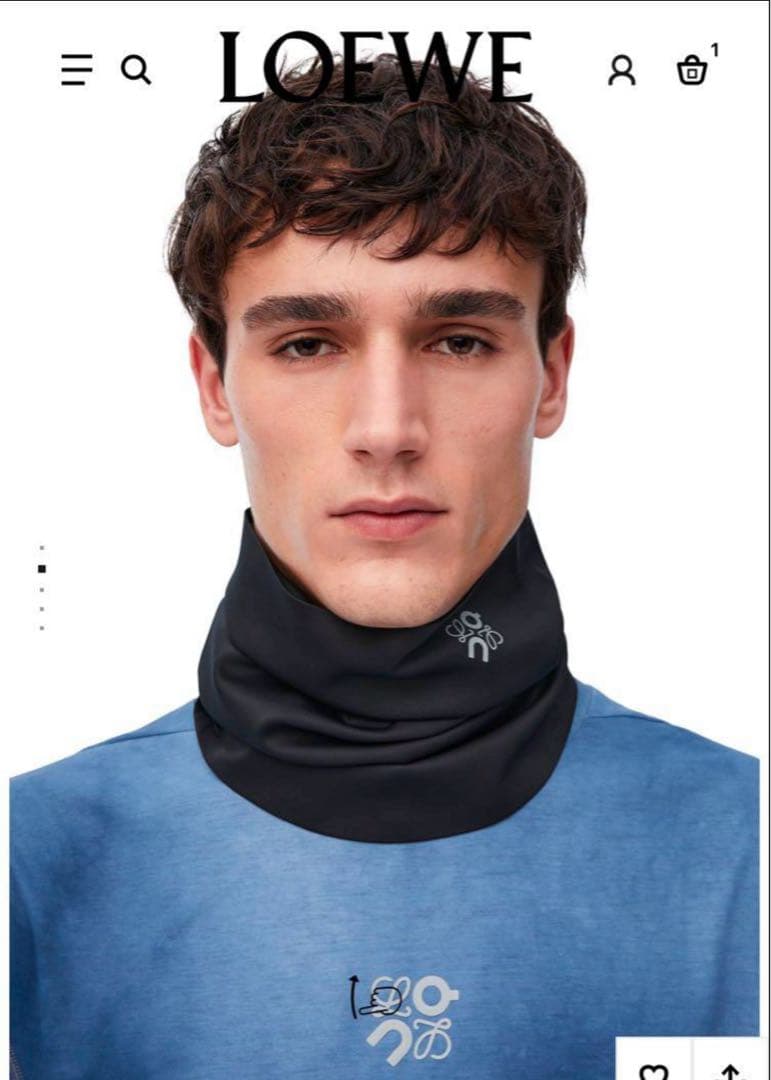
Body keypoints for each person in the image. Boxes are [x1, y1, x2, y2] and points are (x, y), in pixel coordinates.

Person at [9, 52, 759, 1080]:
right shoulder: (29, 863)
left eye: (458, 341)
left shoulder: (746, 851)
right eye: (307, 344)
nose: (387, 430)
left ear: (552, 375)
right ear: (215, 386)